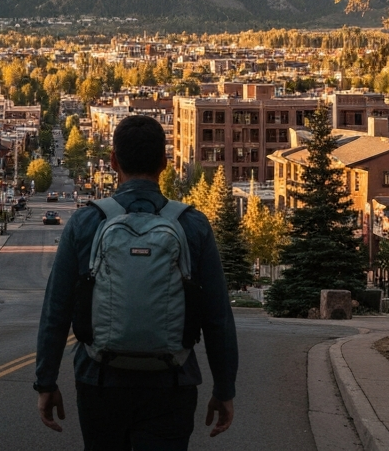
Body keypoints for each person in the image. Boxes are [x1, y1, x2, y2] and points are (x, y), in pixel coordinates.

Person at [34, 115, 238, 450]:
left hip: (99, 380)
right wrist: (224, 389)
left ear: (113, 161)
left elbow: (57, 311)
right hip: (172, 382)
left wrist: (46, 382)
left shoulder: (86, 222)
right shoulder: (193, 225)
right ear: (164, 163)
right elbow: (217, 318)